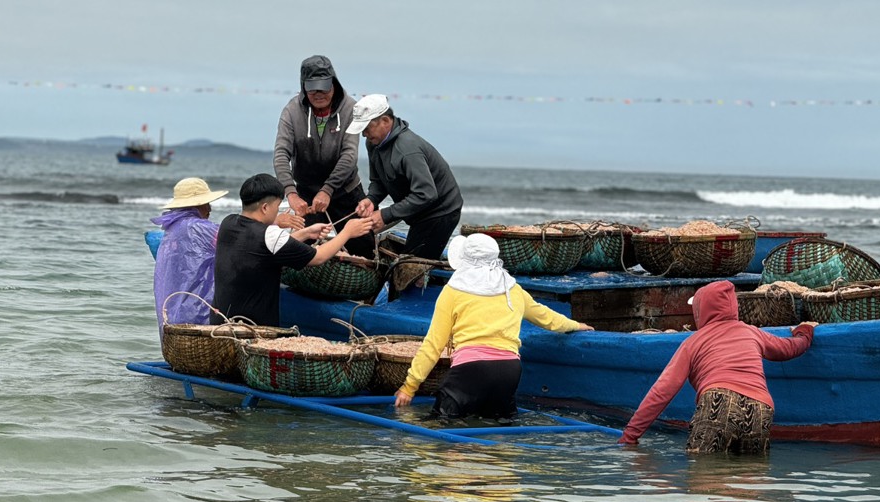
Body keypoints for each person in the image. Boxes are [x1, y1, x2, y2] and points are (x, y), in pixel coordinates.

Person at [394, 233, 594, 418]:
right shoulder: (513, 289)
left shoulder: (453, 291)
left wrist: (409, 386)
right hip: (509, 371)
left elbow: (433, 345)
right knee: (498, 431)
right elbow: (546, 317)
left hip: (469, 371)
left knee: (442, 426)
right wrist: (575, 325)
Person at [618, 280, 818, 454]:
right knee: (749, 484)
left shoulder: (693, 342)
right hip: (761, 408)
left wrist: (630, 435)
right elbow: (790, 348)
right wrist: (805, 332)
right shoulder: (752, 333)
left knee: (703, 476)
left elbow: (663, 391)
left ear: (700, 311)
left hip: (718, 402)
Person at [211, 173, 374, 327]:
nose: (277, 212)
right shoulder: (270, 234)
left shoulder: (228, 223)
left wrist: (307, 232)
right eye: (276, 207)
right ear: (265, 208)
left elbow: (264, 247)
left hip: (220, 322)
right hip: (253, 328)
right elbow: (318, 257)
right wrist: (347, 232)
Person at [273, 55, 376, 259]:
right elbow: (281, 153)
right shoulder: (292, 111)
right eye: (312, 88)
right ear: (303, 87)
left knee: (364, 250)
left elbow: (349, 155)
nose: (319, 94)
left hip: (346, 190)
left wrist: (328, 189)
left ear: (334, 83)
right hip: (307, 193)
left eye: (324, 87)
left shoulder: (349, 109)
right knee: (304, 253)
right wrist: (291, 193)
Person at [347, 94, 463, 260]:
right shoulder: (374, 142)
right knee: (411, 260)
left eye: (366, 128)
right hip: (419, 211)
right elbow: (378, 181)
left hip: (441, 212)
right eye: (362, 130)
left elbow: (426, 194)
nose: (364, 134)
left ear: (386, 121)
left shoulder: (407, 149)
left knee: (410, 267)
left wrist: (385, 214)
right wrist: (372, 199)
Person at [151, 177, 228, 336]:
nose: (210, 209)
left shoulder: (172, 229)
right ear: (198, 205)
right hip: (196, 313)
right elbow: (237, 239)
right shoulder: (199, 228)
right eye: (207, 204)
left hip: (172, 314)